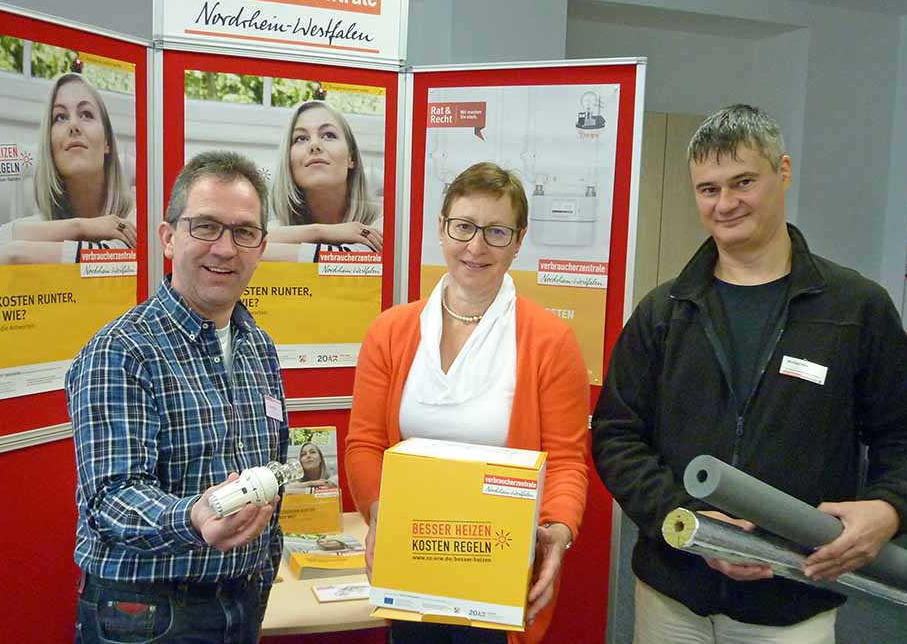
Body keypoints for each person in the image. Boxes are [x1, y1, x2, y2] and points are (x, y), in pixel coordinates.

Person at [591, 104, 907, 642]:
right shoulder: (665, 311)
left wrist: (890, 508)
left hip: (794, 597)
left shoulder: (854, 308)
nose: (726, 203)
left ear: (782, 172)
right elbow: (617, 435)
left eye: (743, 182)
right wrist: (690, 524)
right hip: (672, 594)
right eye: (708, 189)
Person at [345, 162, 590, 644]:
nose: (476, 247)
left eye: (496, 232)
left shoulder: (550, 340)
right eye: (464, 227)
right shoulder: (390, 332)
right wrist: (381, 518)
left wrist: (558, 535)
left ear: (519, 240)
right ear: (441, 228)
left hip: (501, 573)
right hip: (411, 566)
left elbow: (566, 460)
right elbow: (365, 444)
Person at [67, 150, 287, 643]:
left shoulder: (258, 345)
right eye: (206, 226)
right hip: (147, 614)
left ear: (261, 247)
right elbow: (112, 498)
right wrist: (192, 516)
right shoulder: (120, 351)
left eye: (244, 232)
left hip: (240, 601)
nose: (225, 249)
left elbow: (272, 468)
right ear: (169, 238)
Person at [0, 72, 137, 265]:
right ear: (49, 146)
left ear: (107, 142)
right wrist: (81, 227)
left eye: (86, 114)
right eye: (60, 117)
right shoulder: (51, 223)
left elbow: (114, 257)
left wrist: (17, 253)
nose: (74, 125)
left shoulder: (138, 213)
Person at [264, 100, 383, 262]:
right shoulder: (279, 225)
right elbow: (242, 249)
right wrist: (320, 232)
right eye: (300, 138)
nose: (314, 145)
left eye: (329, 135)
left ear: (351, 158)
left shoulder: (385, 218)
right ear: (288, 162)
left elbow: (359, 259)